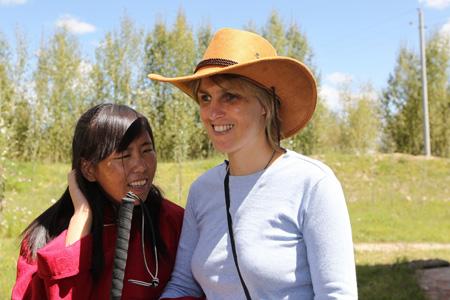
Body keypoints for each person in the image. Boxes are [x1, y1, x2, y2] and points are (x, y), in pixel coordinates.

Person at [149, 28, 358, 299]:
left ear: (264, 105)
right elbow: (183, 285)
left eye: (230, 96)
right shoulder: (202, 190)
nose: (213, 112)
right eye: (205, 98)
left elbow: (336, 295)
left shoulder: (312, 184)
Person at [12, 103, 185, 299]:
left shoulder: (173, 221)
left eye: (147, 150)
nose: (141, 166)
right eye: (124, 155)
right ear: (89, 169)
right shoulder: (45, 237)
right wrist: (81, 218)